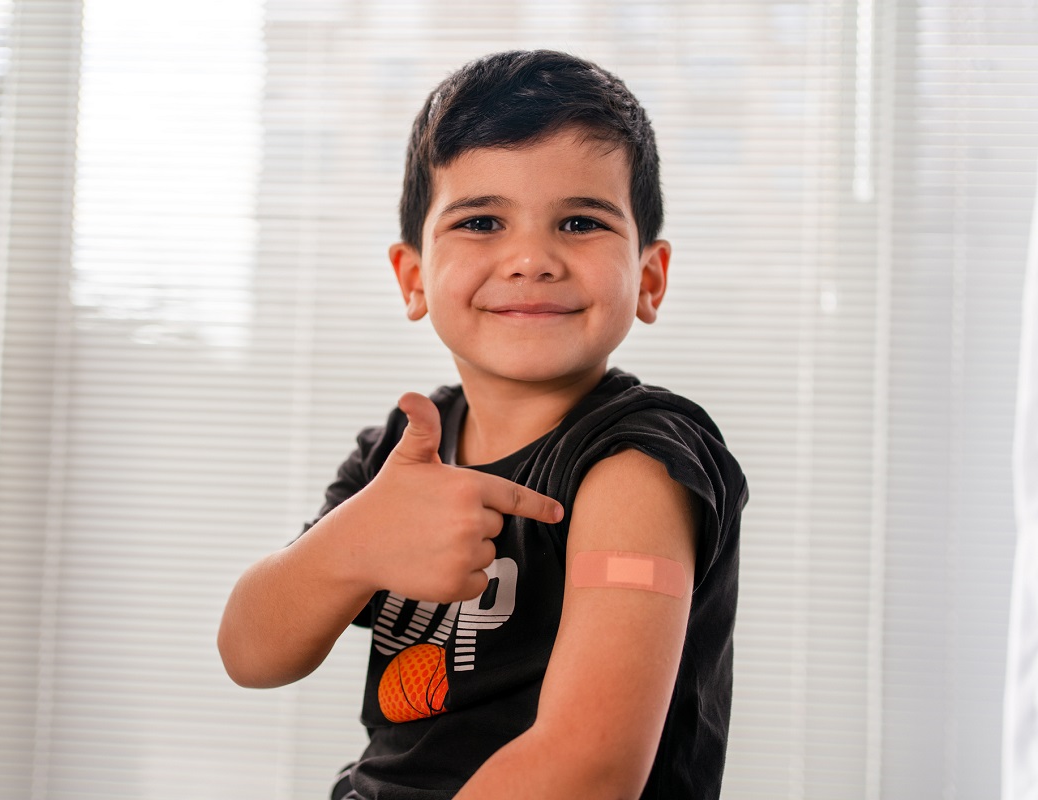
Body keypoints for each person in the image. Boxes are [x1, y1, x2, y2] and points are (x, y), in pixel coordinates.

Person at [218, 49, 749, 799]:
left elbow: (588, 768)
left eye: (579, 222)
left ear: (649, 278)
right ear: (413, 278)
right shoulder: (403, 456)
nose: (531, 258)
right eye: (482, 221)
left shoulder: (636, 464)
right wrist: (349, 545)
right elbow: (251, 653)